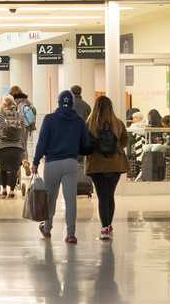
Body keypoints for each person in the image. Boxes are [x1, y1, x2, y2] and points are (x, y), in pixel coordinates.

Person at [31, 89, 95, 245]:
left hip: (52, 164)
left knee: (50, 198)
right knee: (70, 199)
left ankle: (47, 228)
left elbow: (42, 143)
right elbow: (85, 144)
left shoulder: (49, 119)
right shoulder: (79, 121)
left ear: (58, 103)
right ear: (72, 103)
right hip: (71, 163)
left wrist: (35, 161)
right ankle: (71, 234)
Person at [85, 95, 128, 240]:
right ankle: (108, 225)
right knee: (110, 195)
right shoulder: (118, 123)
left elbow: (85, 144)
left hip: (97, 165)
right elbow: (125, 141)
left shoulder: (90, 123)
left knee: (102, 196)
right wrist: (114, 148)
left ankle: (104, 227)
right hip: (115, 164)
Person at [0, 94, 29, 193]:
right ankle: (12, 191)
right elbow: (23, 130)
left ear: (3, 104)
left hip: (2, 148)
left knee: (3, 168)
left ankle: (4, 189)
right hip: (17, 148)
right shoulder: (20, 115)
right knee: (14, 169)